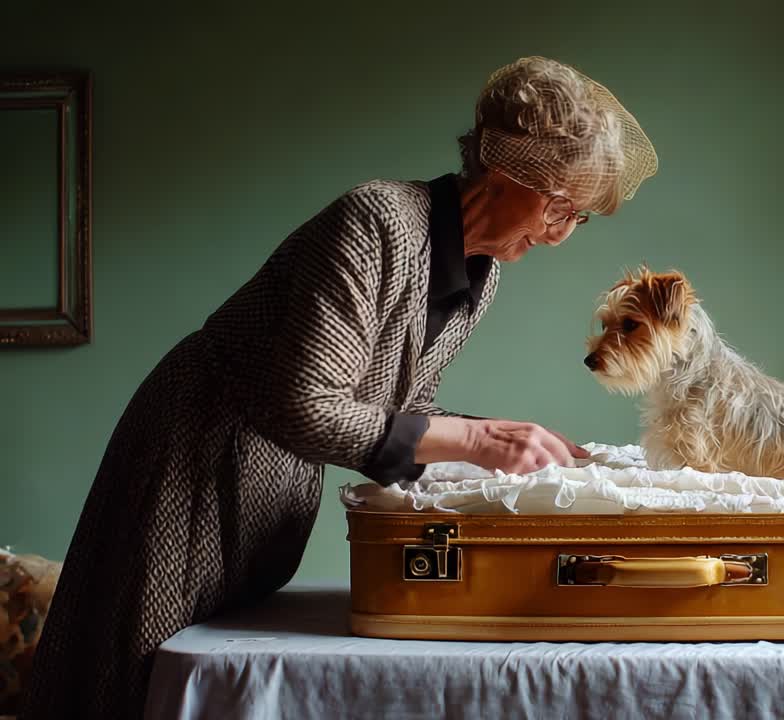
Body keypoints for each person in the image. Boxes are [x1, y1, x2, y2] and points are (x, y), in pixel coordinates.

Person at [21, 55, 658, 719]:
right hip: (192, 460)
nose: (559, 234)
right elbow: (307, 401)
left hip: (269, 483)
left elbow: (400, 411)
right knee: (131, 678)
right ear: (505, 170)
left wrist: (503, 443)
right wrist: (477, 439)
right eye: (558, 204)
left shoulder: (483, 275)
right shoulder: (379, 218)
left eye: (577, 217)